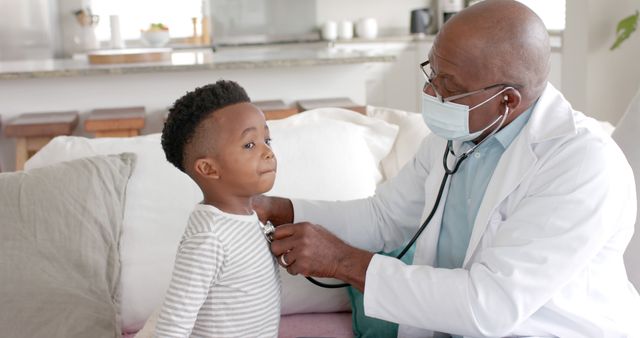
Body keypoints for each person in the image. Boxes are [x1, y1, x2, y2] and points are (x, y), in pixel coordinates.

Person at [253, 0, 640, 337]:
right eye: (431, 73)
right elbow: (383, 217)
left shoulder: (582, 164)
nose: (429, 93)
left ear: (507, 99)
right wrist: (278, 207)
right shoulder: (460, 135)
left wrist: (341, 261)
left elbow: (490, 305)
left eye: (448, 85)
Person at [155, 80, 280, 337]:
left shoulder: (251, 218)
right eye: (249, 145)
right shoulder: (209, 238)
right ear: (209, 169)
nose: (268, 152)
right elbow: (172, 325)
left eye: (267, 139)